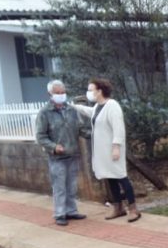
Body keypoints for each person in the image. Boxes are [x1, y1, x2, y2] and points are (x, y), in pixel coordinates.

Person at [74, 78, 141, 222]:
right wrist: (76, 107)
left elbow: (119, 128)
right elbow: (91, 113)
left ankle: (133, 209)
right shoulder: (98, 107)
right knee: (110, 177)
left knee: (121, 177)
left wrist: (116, 147)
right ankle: (118, 208)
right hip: (103, 151)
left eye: (91, 90)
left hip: (113, 149)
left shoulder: (112, 105)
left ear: (100, 91)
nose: (89, 93)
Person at [35, 80, 91, 226]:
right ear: (50, 94)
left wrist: (95, 134)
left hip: (72, 154)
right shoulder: (45, 113)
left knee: (71, 185)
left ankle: (71, 211)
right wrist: (53, 147)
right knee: (59, 187)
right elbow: (40, 136)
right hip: (57, 157)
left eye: (62, 92)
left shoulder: (71, 110)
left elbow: (81, 129)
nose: (61, 95)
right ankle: (60, 213)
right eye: (57, 93)